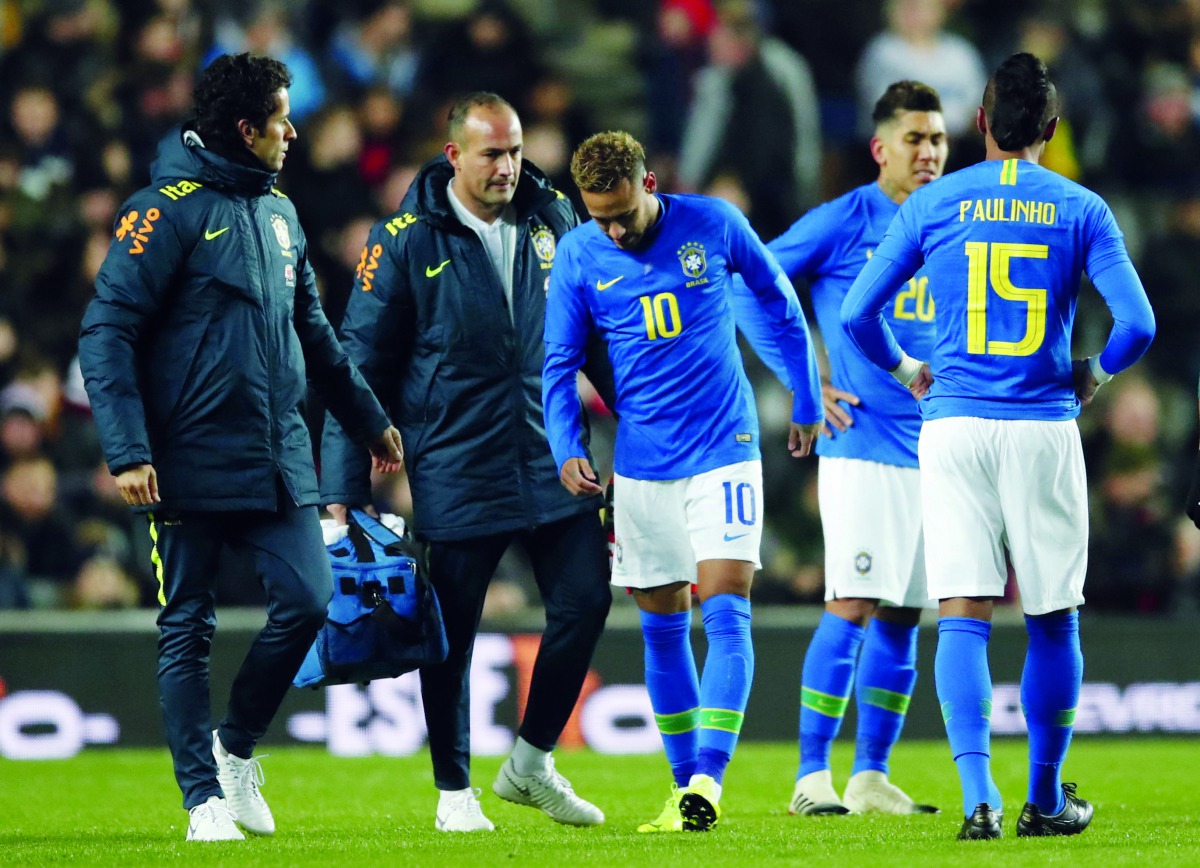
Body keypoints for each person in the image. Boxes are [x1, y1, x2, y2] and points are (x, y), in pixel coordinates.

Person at [78, 53, 404, 843]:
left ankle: (234, 748)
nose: (294, 132)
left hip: (275, 454)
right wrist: (127, 449)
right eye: (283, 120)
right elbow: (106, 330)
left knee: (311, 599)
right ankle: (202, 801)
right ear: (246, 128)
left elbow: (314, 335)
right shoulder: (164, 211)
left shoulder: (281, 213)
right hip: (184, 459)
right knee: (187, 624)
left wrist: (369, 419)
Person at [841, 53, 1155, 840]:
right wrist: (1093, 373)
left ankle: (978, 794)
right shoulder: (1081, 207)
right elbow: (1139, 325)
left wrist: (909, 371)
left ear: (980, 122)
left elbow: (855, 315)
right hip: (1042, 423)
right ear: (1051, 127)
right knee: (1052, 618)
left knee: (962, 613)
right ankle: (1044, 800)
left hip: (952, 428)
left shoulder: (933, 202)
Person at [320, 92, 613, 834]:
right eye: (492, 153)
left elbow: (596, 336)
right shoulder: (404, 240)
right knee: (449, 637)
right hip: (458, 462)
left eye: (515, 151)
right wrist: (341, 490)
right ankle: (454, 791)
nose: (508, 166)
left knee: (586, 602)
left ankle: (532, 762)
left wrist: (649, 421)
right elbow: (357, 365)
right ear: (454, 155)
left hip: (553, 454)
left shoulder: (554, 217)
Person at [542, 130, 824, 832]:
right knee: (662, 628)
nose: (613, 230)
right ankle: (683, 791)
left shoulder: (714, 223)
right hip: (642, 465)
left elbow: (779, 301)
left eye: (622, 214)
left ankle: (708, 779)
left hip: (725, 448)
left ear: (650, 184)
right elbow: (558, 364)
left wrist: (807, 393)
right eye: (599, 217)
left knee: (726, 608)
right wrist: (566, 446)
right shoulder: (578, 253)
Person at [737, 80, 947, 818]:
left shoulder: (953, 218)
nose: (929, 152)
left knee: (905, 613)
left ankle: (871, 777)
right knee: (853, 602)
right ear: (881, 148)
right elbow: (747, 285)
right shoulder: (845, 219)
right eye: (915, 139)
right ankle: (810, 777)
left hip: (937, 447)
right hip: (861, 444)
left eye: (938, 138)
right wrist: (808, 380)